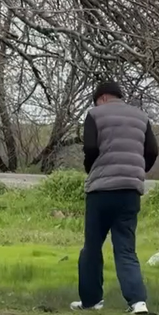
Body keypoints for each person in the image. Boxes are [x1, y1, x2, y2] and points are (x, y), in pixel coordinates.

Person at [71, 81, 156, 314]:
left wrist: (93, 169)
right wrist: (136, 171)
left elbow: (90, 147)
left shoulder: (95, 114)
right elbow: (152, 151)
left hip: (101, 191)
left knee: (92, 247)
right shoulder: (141, 117)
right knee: (126, 249)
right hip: (130, 192)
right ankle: (138, 303)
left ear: (102, 98)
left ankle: (91, 301)